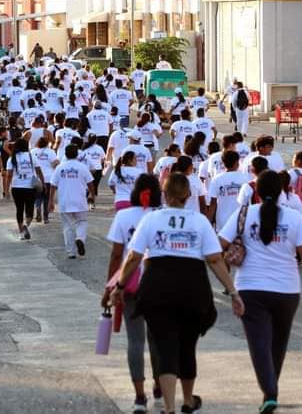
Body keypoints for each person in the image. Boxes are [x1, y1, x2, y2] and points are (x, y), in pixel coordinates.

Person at [109, 172, 243, 414]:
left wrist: (119, 286)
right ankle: (188, 400)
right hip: (192, 285)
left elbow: (133, 256)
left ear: (165, 194)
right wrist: (233, 292)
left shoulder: (151, 219)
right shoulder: (199, 221)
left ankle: (169, 407)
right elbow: (214, 259)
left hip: (157, 285)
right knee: (187, 345)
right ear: (188, 196)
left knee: (165, 344)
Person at [219, 170, 302, 413]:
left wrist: (226, 280)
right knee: (278, 344)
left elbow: (220, 246)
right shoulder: (293, 217)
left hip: (250, 288)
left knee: (259, 344)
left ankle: (270, 392)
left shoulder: (243, 214)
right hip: (287, 290)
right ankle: (270, 391)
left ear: (256, 190)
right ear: (281, 191)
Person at [101, 174, 163, 413]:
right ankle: (160, 383)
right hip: (158, 285)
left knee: (135, 341)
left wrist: (110, 286)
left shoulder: (123, 216)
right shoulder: (162, 215)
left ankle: (139, 396)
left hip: (130, 285)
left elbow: (117, 255)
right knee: (157, 339)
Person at [49, 145, 95, 259]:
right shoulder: (82, 167)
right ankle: (80, 238)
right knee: (82, 222)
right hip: (80, 200)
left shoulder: (60, 168)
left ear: (65, 154)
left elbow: (53, 185)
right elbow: (90, 183)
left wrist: (50, 201)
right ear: (77, 154)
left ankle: (71, 252)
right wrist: (92, 195)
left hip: (65, 201)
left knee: (67, 226)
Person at [6, 138, 45, 241]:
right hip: (30, 187)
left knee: (19, 209)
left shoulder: (12, 158)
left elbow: (9, 175)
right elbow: (39, 170)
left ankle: (21, 233)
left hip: (16, 187)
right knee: (30, 211)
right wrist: (43, 182)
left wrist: (6, 189)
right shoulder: (31, 156)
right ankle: (26, 226)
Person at [207, 150, 249, 229]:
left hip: (222, 221)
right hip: (240, 220)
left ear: (223, 162)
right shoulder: (245, 178)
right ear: (237, 162)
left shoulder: (217, 179)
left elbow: (213, 203)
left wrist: (209, 222)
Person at [31, 136, 59, 224]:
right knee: (47, 198)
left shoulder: (33, 151)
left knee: (37, 196)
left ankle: (38, 208)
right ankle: (46, 217)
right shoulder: (50, 152)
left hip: (36, 178)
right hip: (49, 178)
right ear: (47, 143)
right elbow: (55, 163)